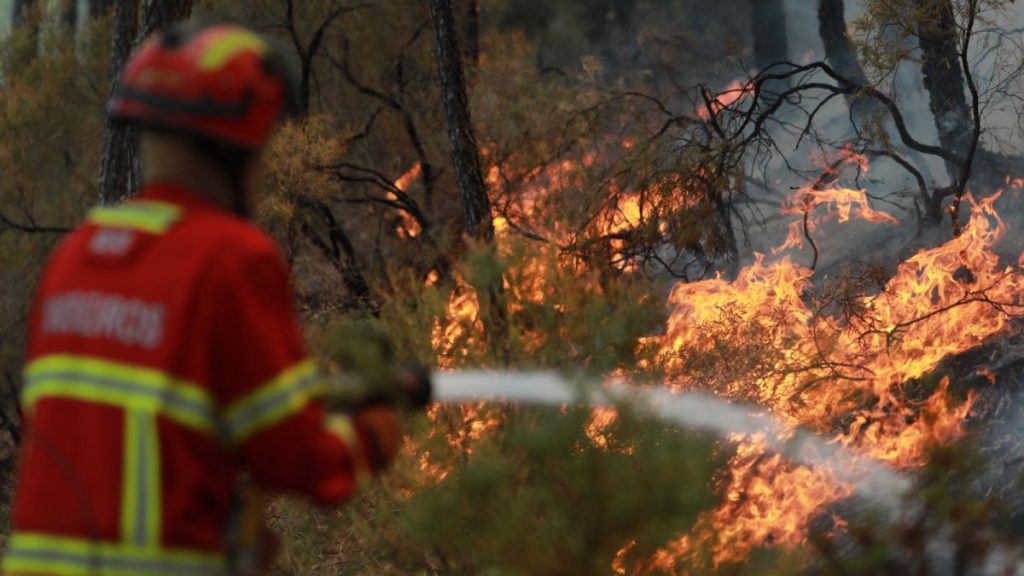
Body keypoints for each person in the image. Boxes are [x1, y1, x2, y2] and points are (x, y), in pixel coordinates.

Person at [3, 21, 425, 576]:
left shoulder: (76, 258)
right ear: (232, 151)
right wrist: (374, 431)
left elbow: (119, 431)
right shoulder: (229, 259)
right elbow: (300, 462)